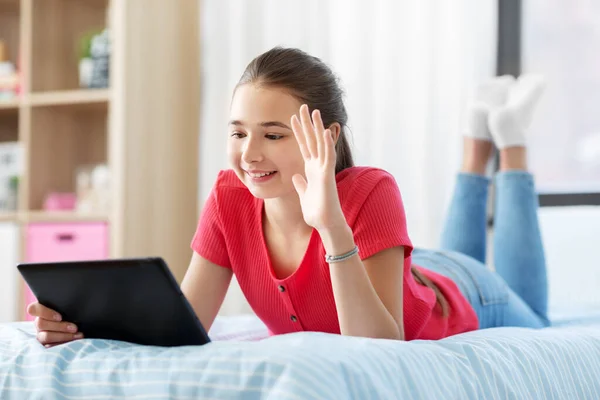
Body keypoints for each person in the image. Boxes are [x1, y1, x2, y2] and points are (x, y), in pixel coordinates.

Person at [29, 47, 549, 345]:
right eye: (238, 133)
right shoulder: (229, 197)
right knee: (444, 253)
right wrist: (83, 328)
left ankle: (510, 145)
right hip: (403, 265)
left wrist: (331, 227)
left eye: (273, 134)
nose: (249, 154)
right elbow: (184, 325)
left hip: (460, 292)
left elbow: (377, 347)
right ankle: (479, 140)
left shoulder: (371, 190)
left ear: (328, 138)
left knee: (542, 319)